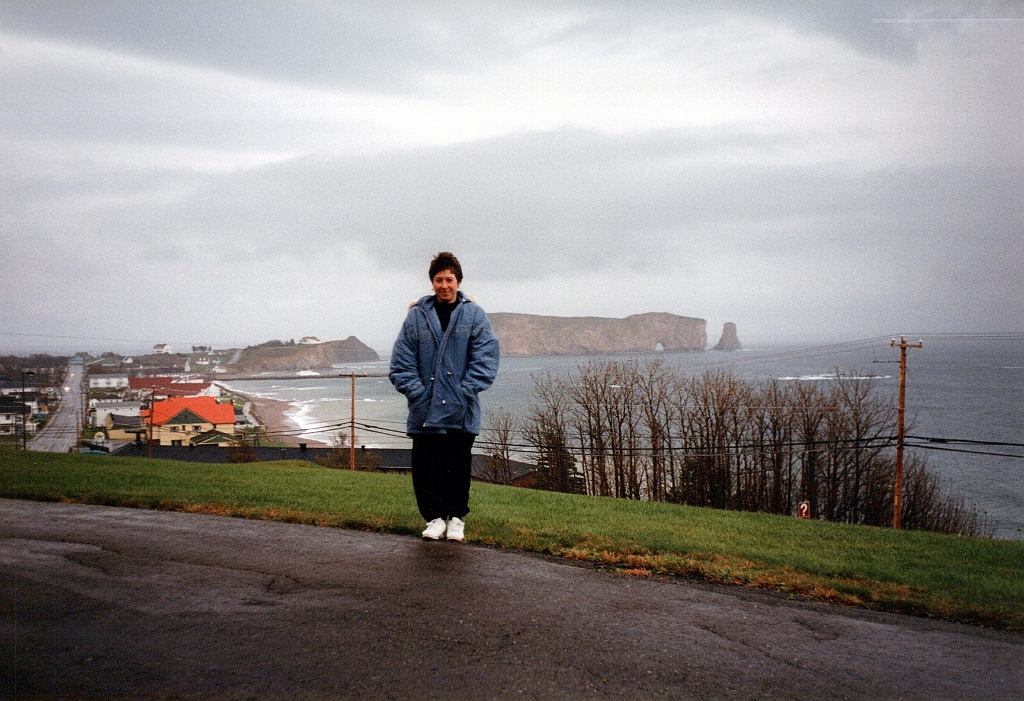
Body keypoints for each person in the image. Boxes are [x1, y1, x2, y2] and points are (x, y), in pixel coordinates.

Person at [389, 252, 500, 541]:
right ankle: (434, 518)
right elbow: (401, 363)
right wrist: (418, 393)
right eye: (438, 280)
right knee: (427, 469)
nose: (444, 285)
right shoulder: (416, 317)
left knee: (458, 467)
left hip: (461, 410)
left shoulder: (474, 315)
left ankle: (457, 520)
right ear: (432, 283)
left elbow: (486, 359)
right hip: (424, 412)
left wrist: (463, 391)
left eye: (449, 279)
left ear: (458, 281)